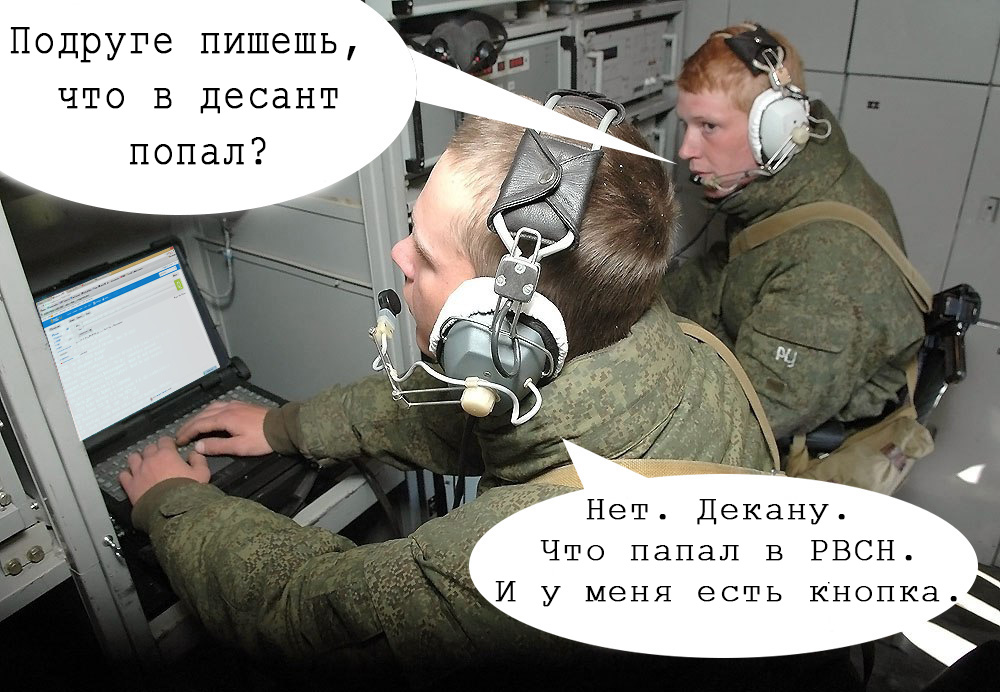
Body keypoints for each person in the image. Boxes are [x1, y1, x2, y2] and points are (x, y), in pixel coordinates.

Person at [117, 97, 802, 689]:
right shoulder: (675, 348)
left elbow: (308, 614)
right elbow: (445, 415)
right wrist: (288, 427)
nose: (399, 255)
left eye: (425, 252)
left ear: (495, 331)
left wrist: (174, 504)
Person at [662, 24, 925, 443]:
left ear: (778, 129)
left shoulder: (828, 267)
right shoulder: (792, 182)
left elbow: (739, 421)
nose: (686, 150)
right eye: (686, 125)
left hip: (789, 434)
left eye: (708, 126)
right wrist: (632, 298)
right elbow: (733, 269)